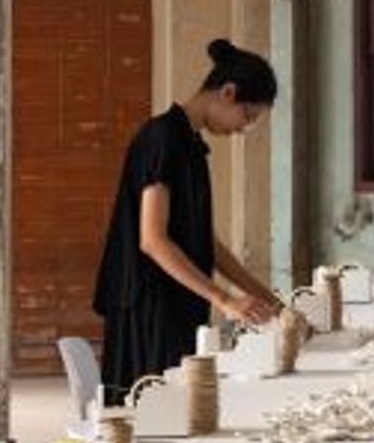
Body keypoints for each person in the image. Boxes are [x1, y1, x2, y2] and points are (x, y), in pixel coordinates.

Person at [93, 38, 281, 405]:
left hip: (177, 300)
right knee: (156, 417)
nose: (244, 129)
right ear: (228, 93)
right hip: (149, 305)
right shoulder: (163, 138)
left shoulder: (190, 144)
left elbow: (202, 242)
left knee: (182, 412)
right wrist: (225, 300)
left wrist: (265, 297)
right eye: (248, 116)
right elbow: (152, 239)